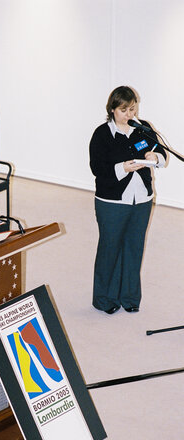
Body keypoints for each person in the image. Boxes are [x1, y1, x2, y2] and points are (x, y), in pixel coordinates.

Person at [89, 86, 166, 315]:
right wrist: (123, 168)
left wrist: (156, 157)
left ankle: (130, 297)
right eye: (124, 110)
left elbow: (161, 154)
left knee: (134, 247)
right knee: (110, 248)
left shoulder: (143, 129)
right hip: (112, 201)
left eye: (132, 109)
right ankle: (104, 298)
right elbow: (97, 168)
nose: (129, 114)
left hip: (142, 199)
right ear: (112, 109)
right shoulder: (102, 134)